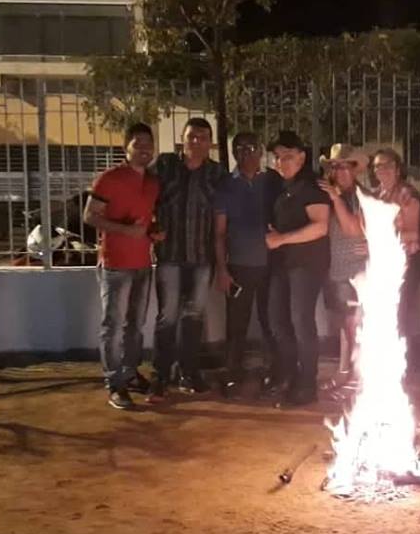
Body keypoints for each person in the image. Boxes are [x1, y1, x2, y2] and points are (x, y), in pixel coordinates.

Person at [83, 122, 162, 410]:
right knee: (113, 326)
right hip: (115, 264)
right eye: (137, 143)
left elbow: (146, 219)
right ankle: (114, 383)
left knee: (135, 325)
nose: (144, 148)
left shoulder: (152, 183)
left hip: (143, 263)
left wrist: (154, 232)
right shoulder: (109, 179)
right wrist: (126, 230)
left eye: (148, 143)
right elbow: (90, 216)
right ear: (125, 147)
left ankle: (130, 373)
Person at [150, 117, 224, 400]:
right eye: (192, 136)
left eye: (203, 137)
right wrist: (150, 226)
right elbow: (145, 197)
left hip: (202, 258)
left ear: (210, 143)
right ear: (182, 139)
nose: (196, 142)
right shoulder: (165, 166)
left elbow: (223, 215)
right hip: (169, 256)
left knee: (194, 317)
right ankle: (160, 374)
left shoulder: (216, 173)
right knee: (167, 317)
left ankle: (189, 373)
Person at [263, 131, 331, 406]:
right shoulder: (282, 186)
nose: (281, 162)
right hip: (283, 264)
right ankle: (290, 375)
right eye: (278, 157)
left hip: (306, 265)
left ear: (302, 157)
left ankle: (307, 383)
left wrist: (281, 239)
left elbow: (321, 226)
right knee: (278, 320)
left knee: (301, 322)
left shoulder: (311, 187)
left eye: (288, 156)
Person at [214, 131, 283, 396]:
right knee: (236, 325)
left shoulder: (273, 180)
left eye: (252, 147)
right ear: (233, 153)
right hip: (239, 267)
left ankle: (275, 372)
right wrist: (222, 270)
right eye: (240, 149)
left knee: (272, 322)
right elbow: (219, 232)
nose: (246, 153)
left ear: (261, 150)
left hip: (272, 265)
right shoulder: (225, 185)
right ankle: (233, 374)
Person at [318, 144, 369, 394]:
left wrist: (335, 198)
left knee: (354, 325)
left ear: (355, 169)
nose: (340, 171)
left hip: (355, 270)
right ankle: (344, 371)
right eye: (335, 166)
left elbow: (353, 229)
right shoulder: (327, 193)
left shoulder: (361, 196)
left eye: (345, 166)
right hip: (334, 268)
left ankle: (357, 375)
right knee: (342, 324)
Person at [372, 147, 420, 340]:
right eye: (378, 166)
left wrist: (377, 240)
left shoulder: (406, 194)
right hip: (383, 262)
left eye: (388, 165)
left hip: (405, 261)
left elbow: (413, 234)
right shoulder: (376, 195)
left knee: (399, 309)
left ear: (398, 169)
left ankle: (402, 353)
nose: (382, 169)